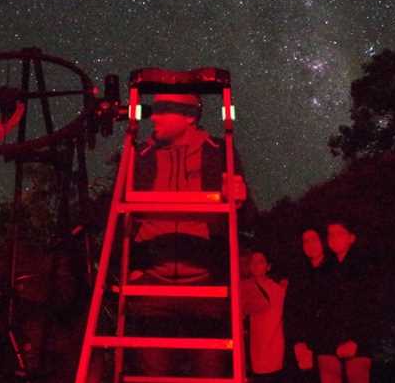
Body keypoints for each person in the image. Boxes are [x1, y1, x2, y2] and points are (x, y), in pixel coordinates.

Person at [127, 92, 251, 377]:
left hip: (205, 284)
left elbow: (247, 218)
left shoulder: (219, 152)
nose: (153, 116)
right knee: (152, 374)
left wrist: (240, 201)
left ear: (190, 117)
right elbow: (119, 213)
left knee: (210, 372)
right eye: (154, 108)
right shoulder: (139, 155)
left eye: (163, 110)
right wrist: (131, 267)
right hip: (151, 284)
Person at [315, 219, 374, 383]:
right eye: (330, 234)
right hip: (328, 342)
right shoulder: (324, 270)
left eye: (339, 233)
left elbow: (370, 307)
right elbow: (320, 308)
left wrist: (357, 340)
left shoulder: (365, 267)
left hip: (357, 343)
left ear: (351, 237)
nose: (334, 238)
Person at [284, 227, 328, 382]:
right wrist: (298, 342)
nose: (310, 244)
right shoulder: (299, 274)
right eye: (306, 241)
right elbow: (290, 310)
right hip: (304, 344)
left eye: (314, 239)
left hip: (328, 345)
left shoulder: (334, 270)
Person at [241, 249, 288, 382]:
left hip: (275, 346)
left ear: (268, 266)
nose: (255, 265)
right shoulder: (244, 287)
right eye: (253, 262)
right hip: (255, 346)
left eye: (260, 261)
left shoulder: (278, 289)